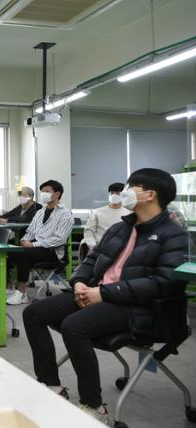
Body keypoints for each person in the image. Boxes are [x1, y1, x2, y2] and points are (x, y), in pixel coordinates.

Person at [22, 168, 188, 424]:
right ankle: (51, 385)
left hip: (137, 306)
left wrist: (104, 292)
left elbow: (163, 284)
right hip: (96, 293)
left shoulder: (173, 234)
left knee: (74, 325)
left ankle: (93, 404)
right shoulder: (121, 228)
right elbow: (92, 260)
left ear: (150, 195)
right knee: (33, 313)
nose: (124, 192)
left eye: (132, 187)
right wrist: (78, 282)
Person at [6, 180, 74, 305]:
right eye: (42, 192)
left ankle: (21, 293)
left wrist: (33, 244)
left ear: (57, 194)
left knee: (23, 254)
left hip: (52, 251)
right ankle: (11, 288)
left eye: (47, 191)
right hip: (34, 247)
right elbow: (30, 231)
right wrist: (24, 240)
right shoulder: (40, 212)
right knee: (9, 250)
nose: (43, 194)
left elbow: (59, 239)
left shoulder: (65, 214)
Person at [81, 182, 130, 257]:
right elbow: (89, 231)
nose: (114, 195)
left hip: (122, 250)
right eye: (111, 193)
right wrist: (93, 246)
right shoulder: (96, 212)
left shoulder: (129, 214)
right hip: (100, 248)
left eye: (117, 193)